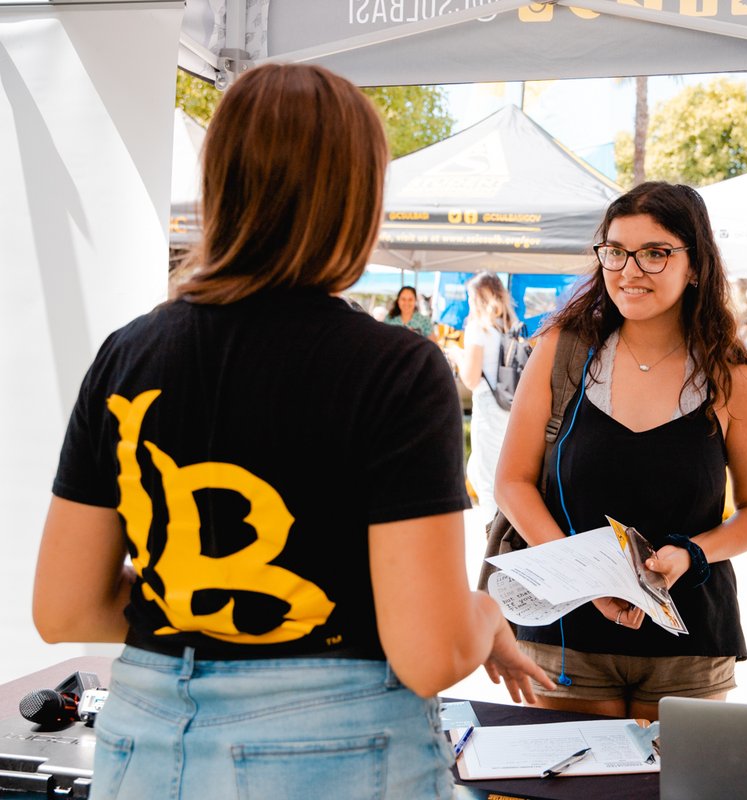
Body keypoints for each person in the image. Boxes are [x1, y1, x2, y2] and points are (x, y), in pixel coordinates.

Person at [31, 63, 553, 800]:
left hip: (144, 746)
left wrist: (199, 617)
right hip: (335, 749)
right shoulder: (395, 369)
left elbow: (65, 607)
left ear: (221, 184)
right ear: (357, 199)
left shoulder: (129, 354)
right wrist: (487, 613)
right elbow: (430, 650)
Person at [493, 182, 747, 721]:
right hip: (566, 634)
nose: (630, 270)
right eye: (616, 251)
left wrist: (692, 553)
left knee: (669, 773)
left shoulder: (733, 378)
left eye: (655, 253)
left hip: (690, 641)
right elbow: (512, 482)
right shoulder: (560, 351)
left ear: (695, 266)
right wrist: (583, 576)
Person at [452, 272, 518, 523]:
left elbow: (470, 378)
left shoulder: (478, 328)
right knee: (489, 470)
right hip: (511, 405)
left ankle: (493, 537)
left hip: (488, 404)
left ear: (478, 298)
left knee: (487, 479)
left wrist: (458, 356)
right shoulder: (510, 325)